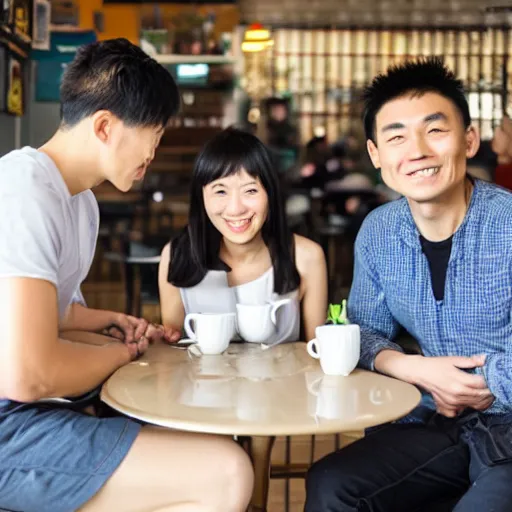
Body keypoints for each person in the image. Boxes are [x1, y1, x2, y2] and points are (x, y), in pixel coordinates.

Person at [0, 38, 253, 512]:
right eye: (152, 136)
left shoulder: (81, 204)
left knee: (197, 422)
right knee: (226, 472)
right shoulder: (23, 188)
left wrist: (108, 323)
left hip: (28, 409)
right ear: (104, 127)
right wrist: (123, 352)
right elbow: (27, 374)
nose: (153, 152)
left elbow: (53, 318)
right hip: (10, 423)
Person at [305, 57, 512, 512]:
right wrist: (415, 370)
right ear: (377, 155)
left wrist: (481, 381)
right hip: (431, 422)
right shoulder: (379, 233)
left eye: (435, 130)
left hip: (508, 426)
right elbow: (360, 334)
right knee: (331, 484)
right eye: (396, 137)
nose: (416, 150)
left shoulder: (508, 223)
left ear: (469, 139)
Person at [158, 127, 328, 344]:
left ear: (270, 193)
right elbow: (171, 349)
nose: (236, 209)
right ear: (201, 197)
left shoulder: (306, 257)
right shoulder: (177, 255)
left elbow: (317, 353)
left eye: (250, 191)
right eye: (220, 191)